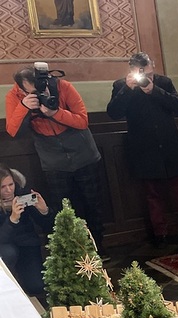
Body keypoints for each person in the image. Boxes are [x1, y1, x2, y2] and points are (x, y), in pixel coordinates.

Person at [5, 65, 107, 258]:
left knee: (92, 203)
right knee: (62, 207)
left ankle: (97, 245)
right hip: (52, 159)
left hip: (83, 153)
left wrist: (55, 113)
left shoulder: (63, 86)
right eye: (31, 91)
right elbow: (12, 130)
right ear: (21, 89)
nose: (38, 93)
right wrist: (24, 106)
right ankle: (70, 252)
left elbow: (82, 121)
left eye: (40, 89)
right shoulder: (14, 97)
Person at [106, 52, 178, 248]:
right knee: (153, 194)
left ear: (153, 68)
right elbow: (114, 113)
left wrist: (154, 90)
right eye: (142, 75)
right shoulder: (120, 86)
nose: (146, 78)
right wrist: (127, 89)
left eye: (150, 74)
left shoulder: (164, 83)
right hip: (144, 148)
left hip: (170, 144)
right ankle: (160, 233)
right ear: (132, 71)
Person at [0, 164, 54, 300]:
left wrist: (44, 211)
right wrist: (12, 220)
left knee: (36, 286)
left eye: (11, 184)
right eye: (2, 187)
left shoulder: (22, 194)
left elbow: (48, 226)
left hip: (27, 245)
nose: (8, 190)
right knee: (8, 253)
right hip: (4, 246)